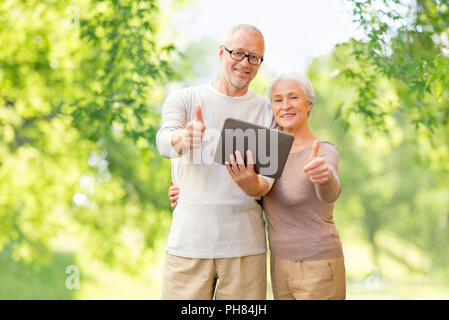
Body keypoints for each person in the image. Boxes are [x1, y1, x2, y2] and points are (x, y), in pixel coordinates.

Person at [169, 72, 346, 300]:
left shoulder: (322, 150)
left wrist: (325, 177)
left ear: (309, 104)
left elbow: (331, 192)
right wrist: (184, 190)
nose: (285, 106)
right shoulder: (266, 149)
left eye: (293, 98)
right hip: (280, 265)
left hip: (318, 262)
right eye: (278, 100)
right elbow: (245, 190)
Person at [156, 24, 276, 300]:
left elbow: (267, 183)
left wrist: (252, 184)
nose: (245, 63)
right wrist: (183, 139)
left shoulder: (267, 111)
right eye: (238, 53)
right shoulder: (185, 99)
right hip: (188, 246)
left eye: (254, 57)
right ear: (221, 52)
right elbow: (163, 142)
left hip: (245, 249)